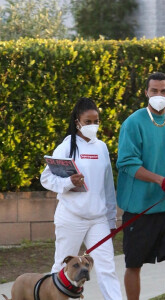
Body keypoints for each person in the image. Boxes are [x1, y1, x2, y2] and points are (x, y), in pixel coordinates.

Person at [116, 72, 165, 300]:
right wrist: (161, 180)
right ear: (146, 93)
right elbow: (127, 164)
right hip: (140, 209)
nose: (159, 95)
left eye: (164, 91)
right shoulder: (132, 123)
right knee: (134, 264)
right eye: (155, 91)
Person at [40, 97, 122, 300]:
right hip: (71, 218)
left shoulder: (101, 147)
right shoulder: (66, 147)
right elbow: (46, 178)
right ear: (77, 122)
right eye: (88, 122)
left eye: (96, 122)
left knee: (106, 267)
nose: (93, 126)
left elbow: (108, 187)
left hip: (98, 219)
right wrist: (69, 182)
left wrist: (111, 220)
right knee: (61, 266)